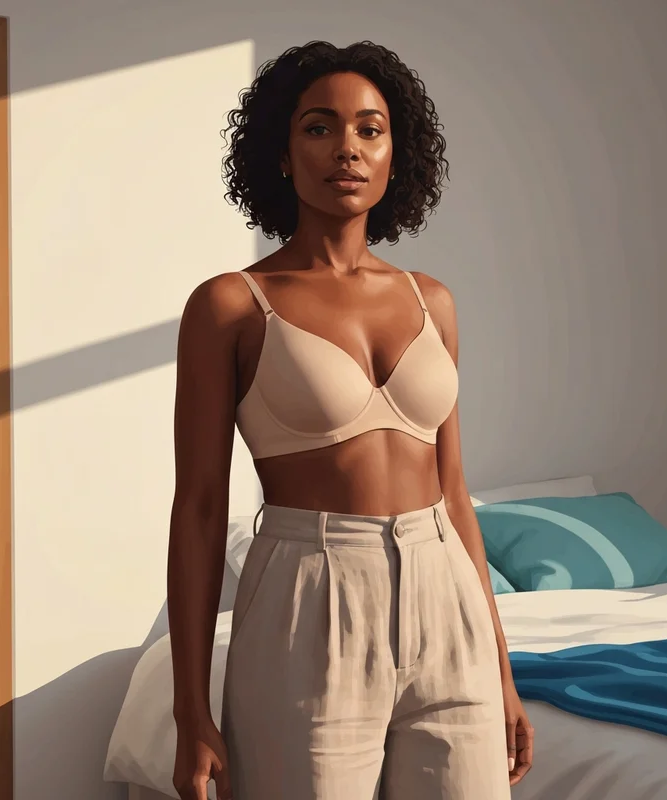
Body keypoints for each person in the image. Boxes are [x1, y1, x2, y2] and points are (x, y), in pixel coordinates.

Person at [167, 39, 533, 800]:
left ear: (397, 154)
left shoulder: (432, 300)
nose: (348, 149)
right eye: (319, 127)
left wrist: (500, 671)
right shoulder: (230, 304)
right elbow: (199, 510)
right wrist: (190, 711)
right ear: (280, 150)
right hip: (310, 597)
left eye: (370, 129)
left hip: (446, 601)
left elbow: (456, 495)